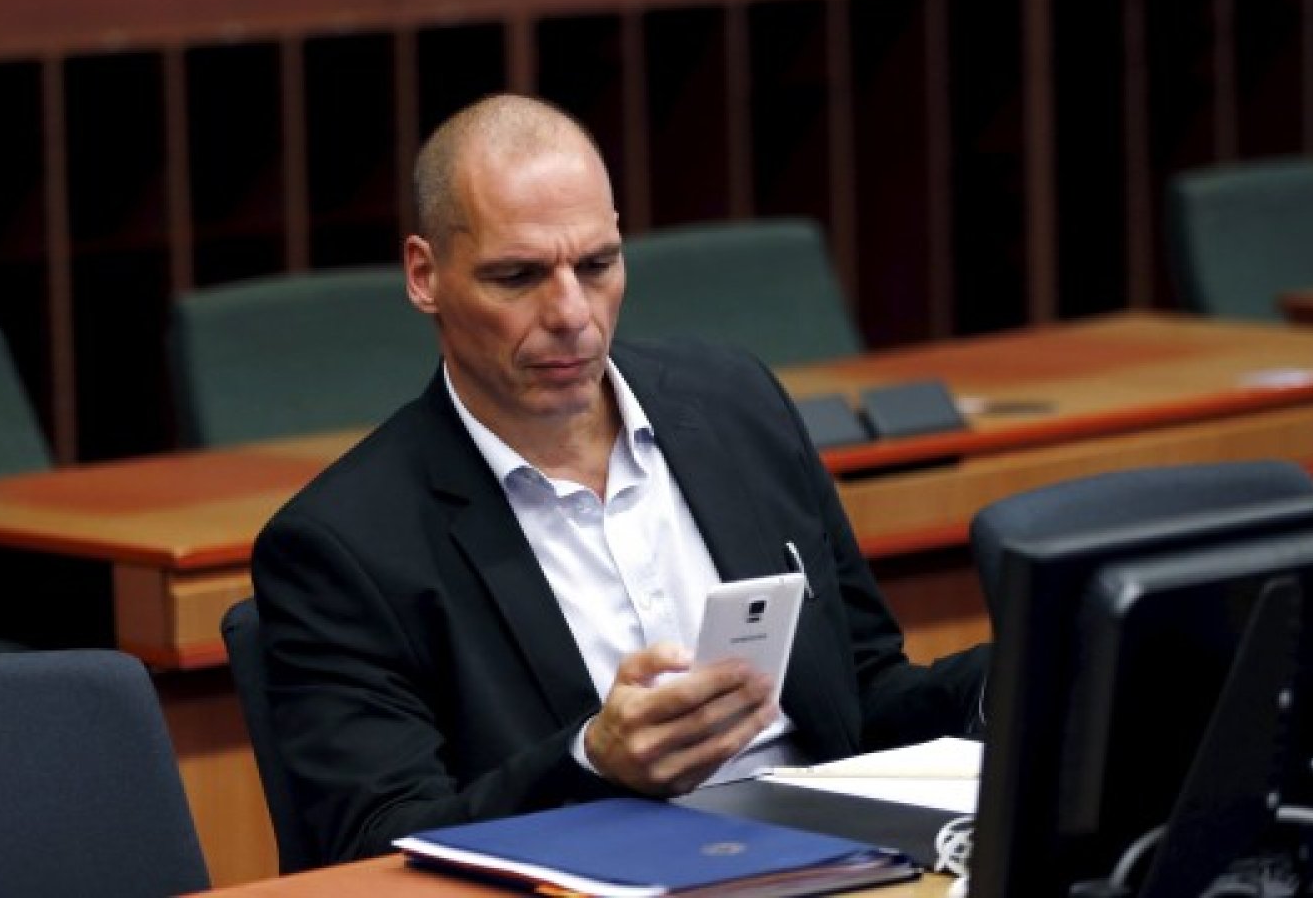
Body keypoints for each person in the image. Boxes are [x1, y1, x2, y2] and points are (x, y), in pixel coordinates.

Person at [252, 92, 989, 866]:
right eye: (518, 275)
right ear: (424, 275)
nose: (572, 313)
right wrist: (590, 761)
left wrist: (1006, 681)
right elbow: (376, 846)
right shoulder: (343, 544)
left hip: (839, 864)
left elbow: (863, 690)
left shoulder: (737, 406)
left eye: (597, 264)